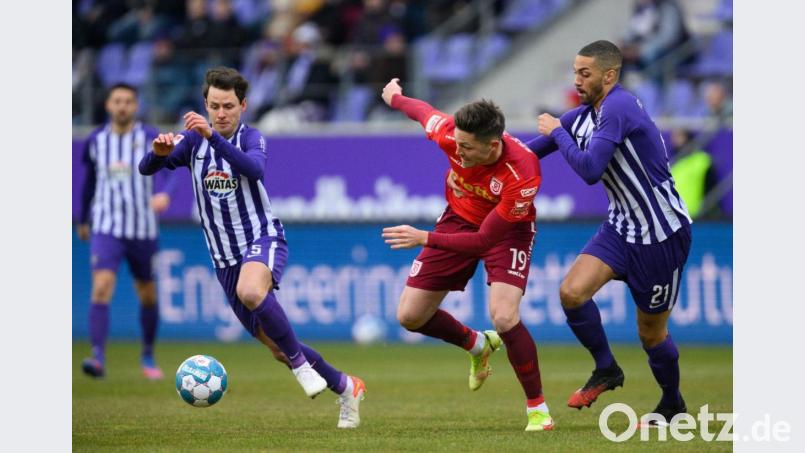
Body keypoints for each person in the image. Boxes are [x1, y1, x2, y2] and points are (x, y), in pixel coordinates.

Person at [138, 67, 365, 429]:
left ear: (243, 105)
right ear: (206, 104)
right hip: (224, 259)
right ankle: (346, 386)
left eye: (228, 106)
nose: (221, 113)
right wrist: (157, 153)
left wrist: (212, 136)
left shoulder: (251, 138)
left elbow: (254, 170)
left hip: (261, 238)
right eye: (214, 106)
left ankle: (302, 367)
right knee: (278, 348)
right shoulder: (193, 142)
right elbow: (146, 169)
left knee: (251, 291)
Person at [525, 40, 692, 423]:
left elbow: (590, 170)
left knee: (651, 334)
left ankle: (672, 403)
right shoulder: (585, 114)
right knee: (571, 293)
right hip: (621, 227)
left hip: (659, 234)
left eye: (585, 74)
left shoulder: (618, 107)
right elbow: (528, 151)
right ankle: (607, 368)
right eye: (575, 72)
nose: (577, 80)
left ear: (609, 75)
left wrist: (558, 131)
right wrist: (483, 156)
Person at [380, 78, 554, 432]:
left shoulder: (522, 173)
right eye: (456, 143)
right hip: (458, 218)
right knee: (410, 316)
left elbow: (484, 241)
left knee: (504, 316)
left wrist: (424, 238)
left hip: (508, 231)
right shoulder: (451, 134)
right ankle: (477, 344)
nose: (457, 152)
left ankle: (538, 408)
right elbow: (424, 112)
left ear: (493, 146)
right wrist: (396, 97)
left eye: (466, 148)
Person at [77, 82, 173, 380]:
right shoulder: (96, 140)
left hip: (143, 227)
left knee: (147, 294)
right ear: (108, 105)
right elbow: (90, 182)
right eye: (117, 101)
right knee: (102, 285)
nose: (122, 106)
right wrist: (83, 219)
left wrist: (165, 193)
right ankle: (97, 357)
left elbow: (173, 171)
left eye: (128, 101)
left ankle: (147, 355)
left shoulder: (150, 136)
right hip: (107, 226)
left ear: (136, 106)